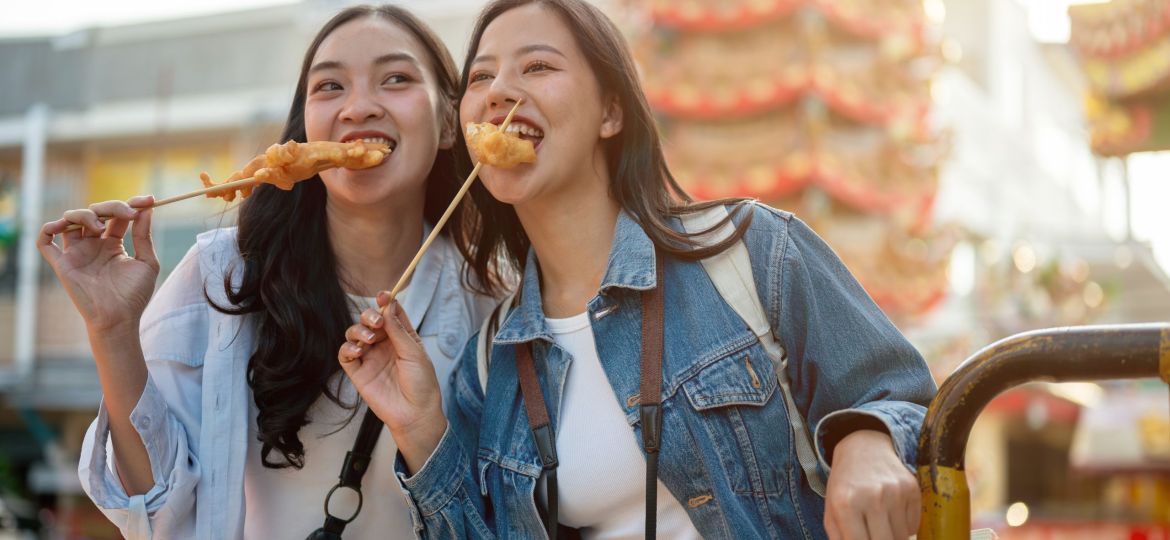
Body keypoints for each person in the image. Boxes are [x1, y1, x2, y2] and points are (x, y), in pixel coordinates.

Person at [340, 0, 937, 538]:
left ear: (611, 112)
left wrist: (866, 440)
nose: (500, 92)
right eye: (480, 76)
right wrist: (419, 427)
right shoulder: (490, 360)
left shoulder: (752, 252)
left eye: (537, 67)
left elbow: (904, 398)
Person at [37, 5, 500, 539]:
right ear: (303, 129)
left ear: (449, 123)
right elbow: (153, 513)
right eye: (329, 87)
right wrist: (112, 330)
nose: (358, 106)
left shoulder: (488, 305)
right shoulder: (222, 276)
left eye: (396, 78)